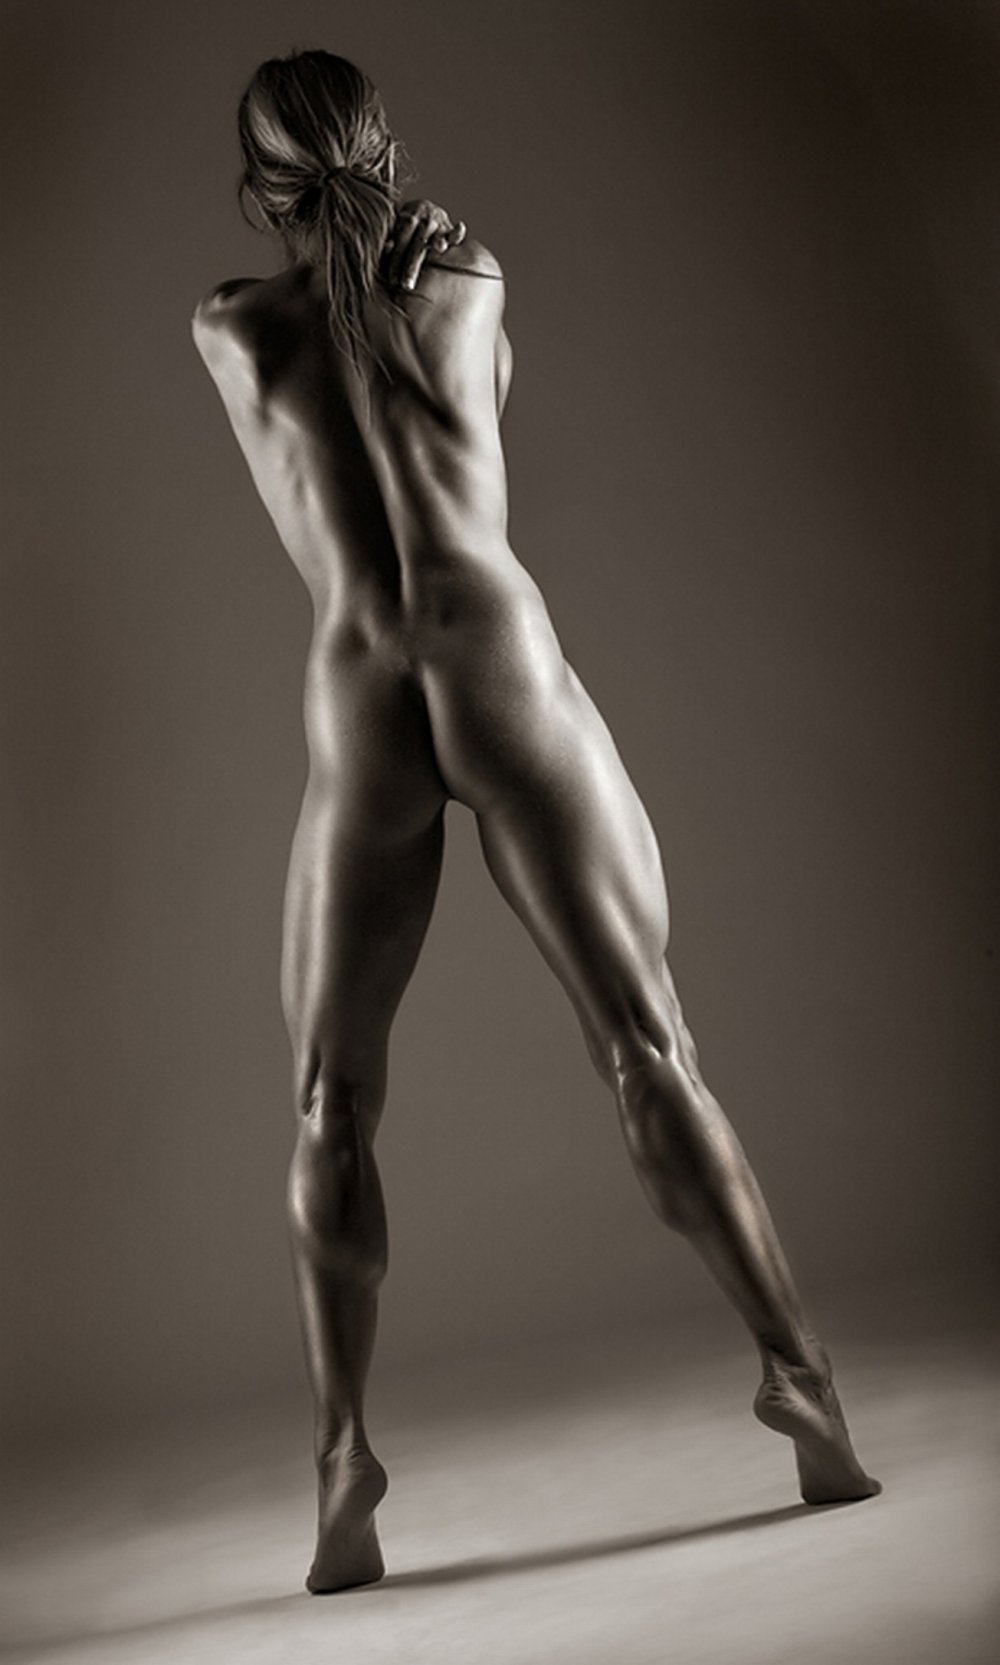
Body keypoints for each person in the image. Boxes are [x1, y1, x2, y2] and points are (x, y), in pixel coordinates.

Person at [193, 49, 879, 1595]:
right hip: (499, 661)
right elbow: (475, 409)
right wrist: (431, 245)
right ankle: (801, 1380)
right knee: (648, 1043)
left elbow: (314, 388)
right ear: (385, 150)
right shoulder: (471, 278)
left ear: (259, 185)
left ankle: (343, 1459)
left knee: (330, 1101)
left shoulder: (230, 329)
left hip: (362, 689)